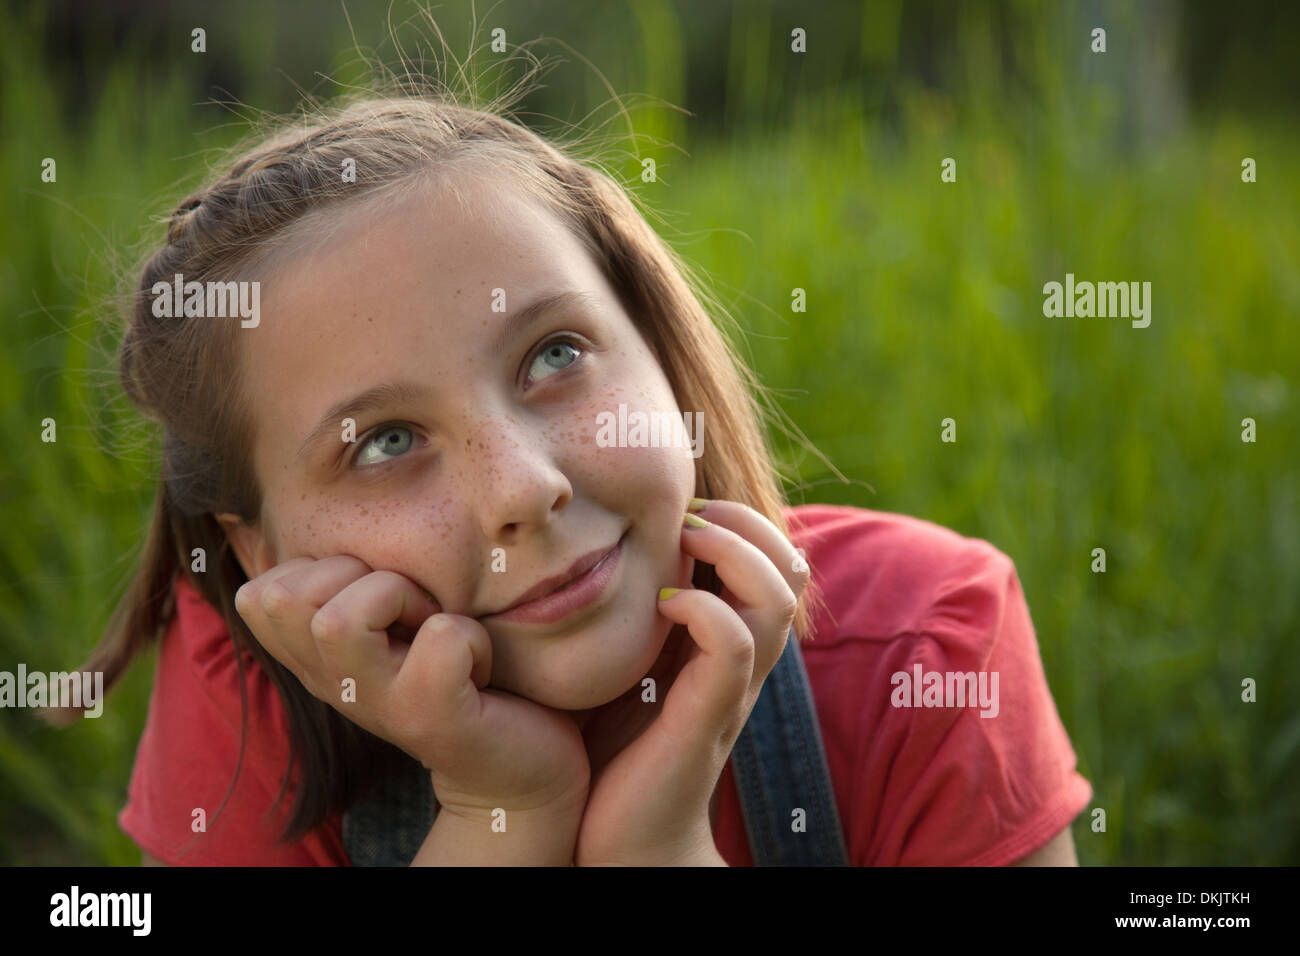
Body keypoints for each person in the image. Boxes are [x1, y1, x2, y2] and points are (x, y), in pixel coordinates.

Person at [55, 78, 1090, 866]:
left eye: (553, 355)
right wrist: (499, 817)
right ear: (259, 551)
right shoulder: (249, 711)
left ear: (656, 344)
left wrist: (661, 850)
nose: (522, 488)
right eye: (384, 442)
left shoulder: (920, 641)